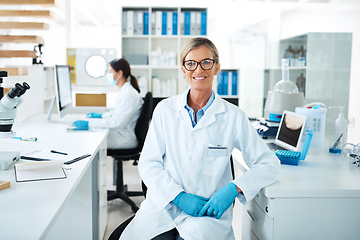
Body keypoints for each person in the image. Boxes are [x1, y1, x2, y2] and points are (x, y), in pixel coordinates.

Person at [119, 37, 280, 240]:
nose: (198, 70)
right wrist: (178, 196)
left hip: (207, 215)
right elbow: (148, 164)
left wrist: (234, 188)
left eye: (206, 62)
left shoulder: (233, 116)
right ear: (183, 69)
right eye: (191, 63)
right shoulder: (165, 110)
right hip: (164, 208)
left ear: (216, 67)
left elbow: (269, 164)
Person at [72, 58, 143, 149]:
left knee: (90, 139)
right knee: (92, 133)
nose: (108, 75)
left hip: (124, 138)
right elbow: (117, 113)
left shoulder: (128, 93)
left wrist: (89, 123)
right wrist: (101, 116)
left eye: (110, 72)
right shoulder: (125, 90)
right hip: (121, 133)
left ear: (119, 74)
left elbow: (116, 122)